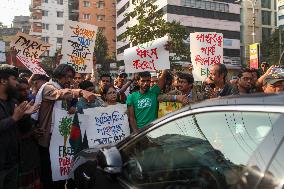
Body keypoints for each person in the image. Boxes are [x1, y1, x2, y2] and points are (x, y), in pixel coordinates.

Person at [34, 64, 97, 189]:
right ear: (57, 75)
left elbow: (61, 109)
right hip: (47, 139)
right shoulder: (48, 87)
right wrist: (79, 92)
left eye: (71, 77)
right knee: (49, 176)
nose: (69, 80)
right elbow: (59, 94)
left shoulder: (62, 87)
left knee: (60, 176)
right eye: (66, 76)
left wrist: (71, 109)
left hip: (59, 138)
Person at [0, 65, 38, 189]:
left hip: (13, 161)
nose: (17, 83)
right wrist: (14, 118)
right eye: (14, 79)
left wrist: (23, 115)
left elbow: (17, 127)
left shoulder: (13, 102)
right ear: (3, 80)